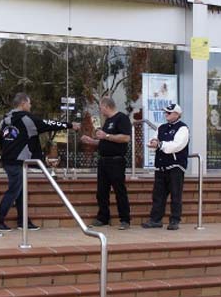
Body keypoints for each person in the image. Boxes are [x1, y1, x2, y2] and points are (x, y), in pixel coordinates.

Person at [0, 92, 78, 231]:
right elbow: (47, 124)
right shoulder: (27, 119)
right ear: (23, 103)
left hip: (8, 160)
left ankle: (23, 221)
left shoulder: (4, 120)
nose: (30, 105)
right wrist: (69, 125)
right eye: (29, 103)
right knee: (14, 191)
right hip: (19, 160)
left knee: (20, 191)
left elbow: (1, 141)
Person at [80, 96, 132, 230]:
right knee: (101, 191)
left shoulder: (122, 118)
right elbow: (105, 141)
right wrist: (92, 141)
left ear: (106, 106)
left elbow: (126, 138)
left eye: (101, 107)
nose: (100, 110)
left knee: (119, 190)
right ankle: (103, 217)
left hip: (116, 161)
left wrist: (106, 136)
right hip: (103, 161)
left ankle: (125, 219)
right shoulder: (108, 121)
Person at [143, 103, 189, 231]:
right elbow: (154, 140)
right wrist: (153, 143)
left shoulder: (183, 128)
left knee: (175, 195)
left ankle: (174, 220)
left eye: (169, 113)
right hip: (161, 166)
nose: (166, 115)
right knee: (158, 195)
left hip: (175, 167)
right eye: (166, 113)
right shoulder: (161, 127)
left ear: (177, 114)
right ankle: (155, 219)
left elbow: (177, 145)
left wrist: (160, 144)